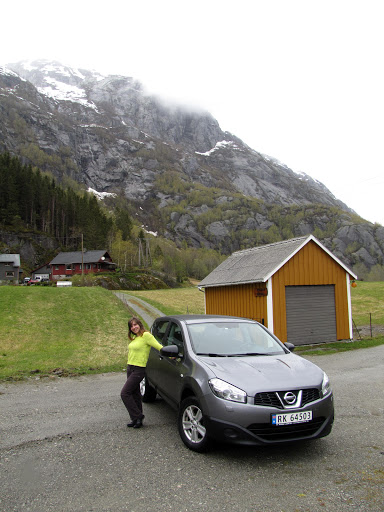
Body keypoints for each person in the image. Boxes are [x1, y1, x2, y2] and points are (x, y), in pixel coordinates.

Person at [120, 317, 163, 428]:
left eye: (135, 325)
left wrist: (170, 354)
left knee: (125, 393)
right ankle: (136, 420)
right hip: (130, 367)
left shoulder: (146, 336)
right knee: (135, 393)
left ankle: (138, 416)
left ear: (140, 324)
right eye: (131, 326)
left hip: (139, 369)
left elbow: (158, 346)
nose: (134, 327)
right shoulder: (135, 337)